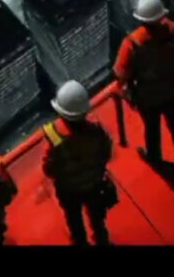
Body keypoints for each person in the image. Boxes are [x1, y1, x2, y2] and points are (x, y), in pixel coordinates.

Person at [113, 0, 174, 165]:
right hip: (173, 90)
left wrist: (129, 95)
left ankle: (155, 158)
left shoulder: (132, 43)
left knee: (152, 128)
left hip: (148, 97)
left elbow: (121, 73)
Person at [42, 80, 116, 246]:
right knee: (97, 219)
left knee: (74, 221)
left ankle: (80, 242)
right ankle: (102, 241)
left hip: (69, 190)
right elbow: (106, 153)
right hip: (93, 184)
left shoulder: (54, 138)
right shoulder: (96, 131)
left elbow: (48, 169)